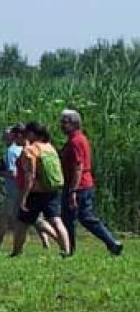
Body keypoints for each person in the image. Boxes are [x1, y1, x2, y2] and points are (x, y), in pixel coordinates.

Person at [0, 126, 55, 253]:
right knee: (35, 220)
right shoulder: (22, 148)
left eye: (6, 135)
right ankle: (47, 243)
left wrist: (0, 172)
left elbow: (13, 173)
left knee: (9, 219)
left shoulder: (10, 152)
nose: (3, 137)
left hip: (14, 191)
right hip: (25, 189)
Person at [60, 109, 123, 256]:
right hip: (84, 184)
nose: (61, 126)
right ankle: (112, 243)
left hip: (78, 185)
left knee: (70, 218)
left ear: (74, 123)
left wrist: (73, 191)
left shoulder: (75, 141)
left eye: (64, 123)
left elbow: (78, 167)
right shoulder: (79, 139)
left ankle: (70, 250)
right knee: (85, 217)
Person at [11, 122, 70, 257]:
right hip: (52, 189)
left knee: (22, 222)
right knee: (56, 220)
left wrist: (24, 196)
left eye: (27, 132)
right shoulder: (50, 148)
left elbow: (30, 175)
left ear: (32, 134)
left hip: (36, 192)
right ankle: (66, 250)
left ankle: (16, 252)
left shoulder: (30, 150)